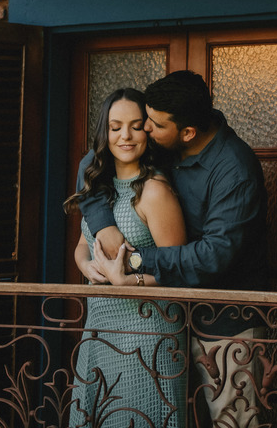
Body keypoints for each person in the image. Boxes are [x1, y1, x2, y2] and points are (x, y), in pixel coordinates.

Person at [77, 71, 268, 428]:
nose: (144, 129)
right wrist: (104, 228)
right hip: (171, 319)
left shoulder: (235, 170)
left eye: (152, 124)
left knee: (233, 422)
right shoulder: (164, 143)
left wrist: (134, 260)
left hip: (224, 325)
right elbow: (92, 161)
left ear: (188, 132)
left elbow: (212, 257)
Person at [63, 88, 188, 428]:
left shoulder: (154, 191)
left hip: (147, 332)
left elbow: (178, 272)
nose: (126, 136)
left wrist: (129, 280)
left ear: (148, 131)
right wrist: (86, 265)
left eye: (135, 126)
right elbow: (82, 244)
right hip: (100, 328)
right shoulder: (98, 188)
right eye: (116, 127)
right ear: (104, 133)